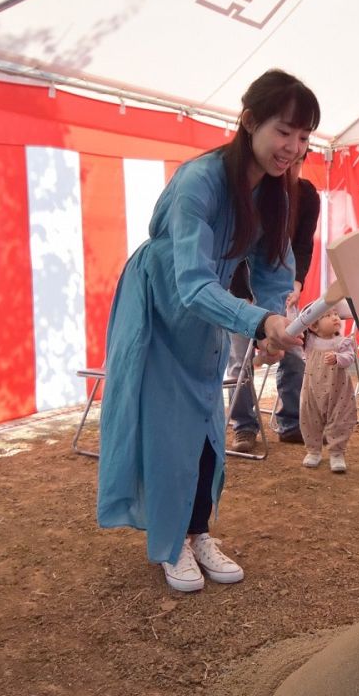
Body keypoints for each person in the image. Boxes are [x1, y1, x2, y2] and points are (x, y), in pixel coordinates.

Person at [96, 69, 319, 592]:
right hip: (158, 308)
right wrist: (258, 321)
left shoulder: (275, 193)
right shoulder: (201, 179)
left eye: (304, 137)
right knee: (164, 428)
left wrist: (273, 323)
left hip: (206, 315)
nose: (292, 147)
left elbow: (272, 272)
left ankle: (197, 532)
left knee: (204, 424)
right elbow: (191, 281)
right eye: (284, 131)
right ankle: (170, 542)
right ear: (249, 122)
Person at [226, 158, 322, 451]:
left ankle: (290, 422)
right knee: (240, 363)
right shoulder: (249, 190)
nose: (286, 171)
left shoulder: (307, 196)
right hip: (241, 292)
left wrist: (296, 284)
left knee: (292, 354)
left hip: (282, 290)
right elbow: (236, 248)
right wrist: (244, 294)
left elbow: (303, 245)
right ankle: (244, 426)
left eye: (295, 164)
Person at [298, 309, 358, 473]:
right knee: (309, 418)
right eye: (328, 315)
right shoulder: (309, 341)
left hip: (338, 390)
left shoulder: (342, 342)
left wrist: (338, 358)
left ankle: (337, 453)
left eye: (336, 314)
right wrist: (291, 307)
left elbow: (350, 357)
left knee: (340, 419)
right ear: (314, 326)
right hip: (312, 388)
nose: (335, 318)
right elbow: (295, 326)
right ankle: (313, 451)